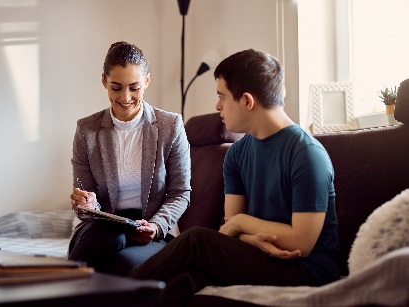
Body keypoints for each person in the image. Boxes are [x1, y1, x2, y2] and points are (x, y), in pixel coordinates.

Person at [128, 49, 341, 306]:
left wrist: (241, 223)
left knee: (196, 240)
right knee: (185, 279)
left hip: (308, 270)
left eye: (222, 96)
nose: (217, 106)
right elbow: (230, 229)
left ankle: (109, 297)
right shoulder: (237, 154)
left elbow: (301, 242)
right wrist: (248, 235)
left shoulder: (307, 154)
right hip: (261, 254)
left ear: (247, 101)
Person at [68, 41, 191, 276]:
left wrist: (156, 226)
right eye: (116, 87)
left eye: (134, 87)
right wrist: (87, 203)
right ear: (104, 81)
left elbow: (180, 192)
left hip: (150, 231)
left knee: (124, 265)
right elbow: (85, 200)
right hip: (100, 230)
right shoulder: (87, 130)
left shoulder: (171, 126)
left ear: (147, 81)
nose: (125, 97)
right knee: (107, 239)